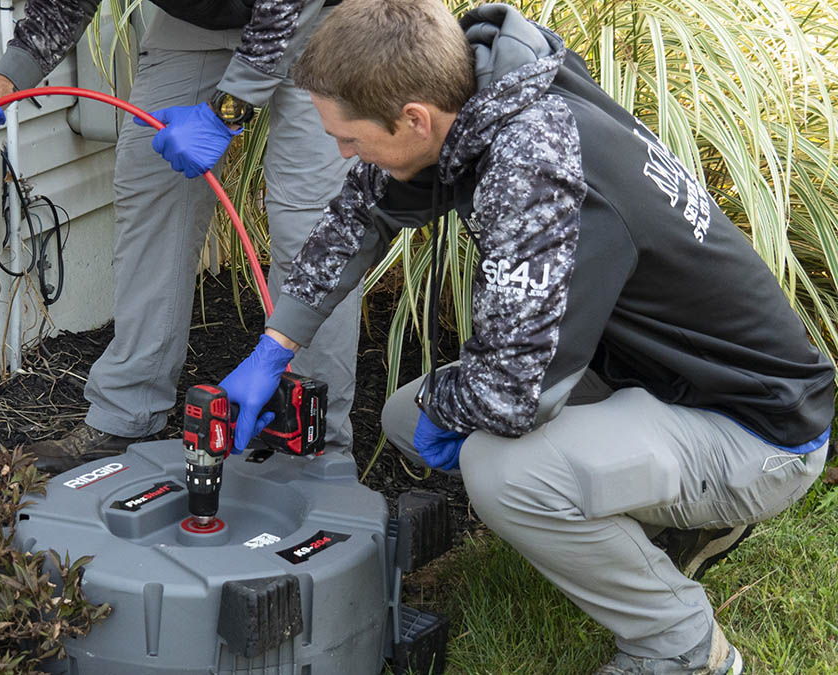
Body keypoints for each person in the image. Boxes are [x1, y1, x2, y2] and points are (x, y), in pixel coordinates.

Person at [218, 1, 834, 673]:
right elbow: (359, 213)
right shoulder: (483, 87)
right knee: (407, 416)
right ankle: (654, 525)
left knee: (503, 471)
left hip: (753, 425)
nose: (343, 152)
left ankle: (682, 645)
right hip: (654, 374)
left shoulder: (534, 163)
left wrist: (454, 410)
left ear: (414, 119)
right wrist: (274, 347)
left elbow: (513, 394)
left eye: (349, 138)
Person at [0, 1, 360, 472]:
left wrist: (222, 115)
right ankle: (125, 413)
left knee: (315, 227)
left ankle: (312, 439)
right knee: (150, 184)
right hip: (196, 22)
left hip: (316, 17)